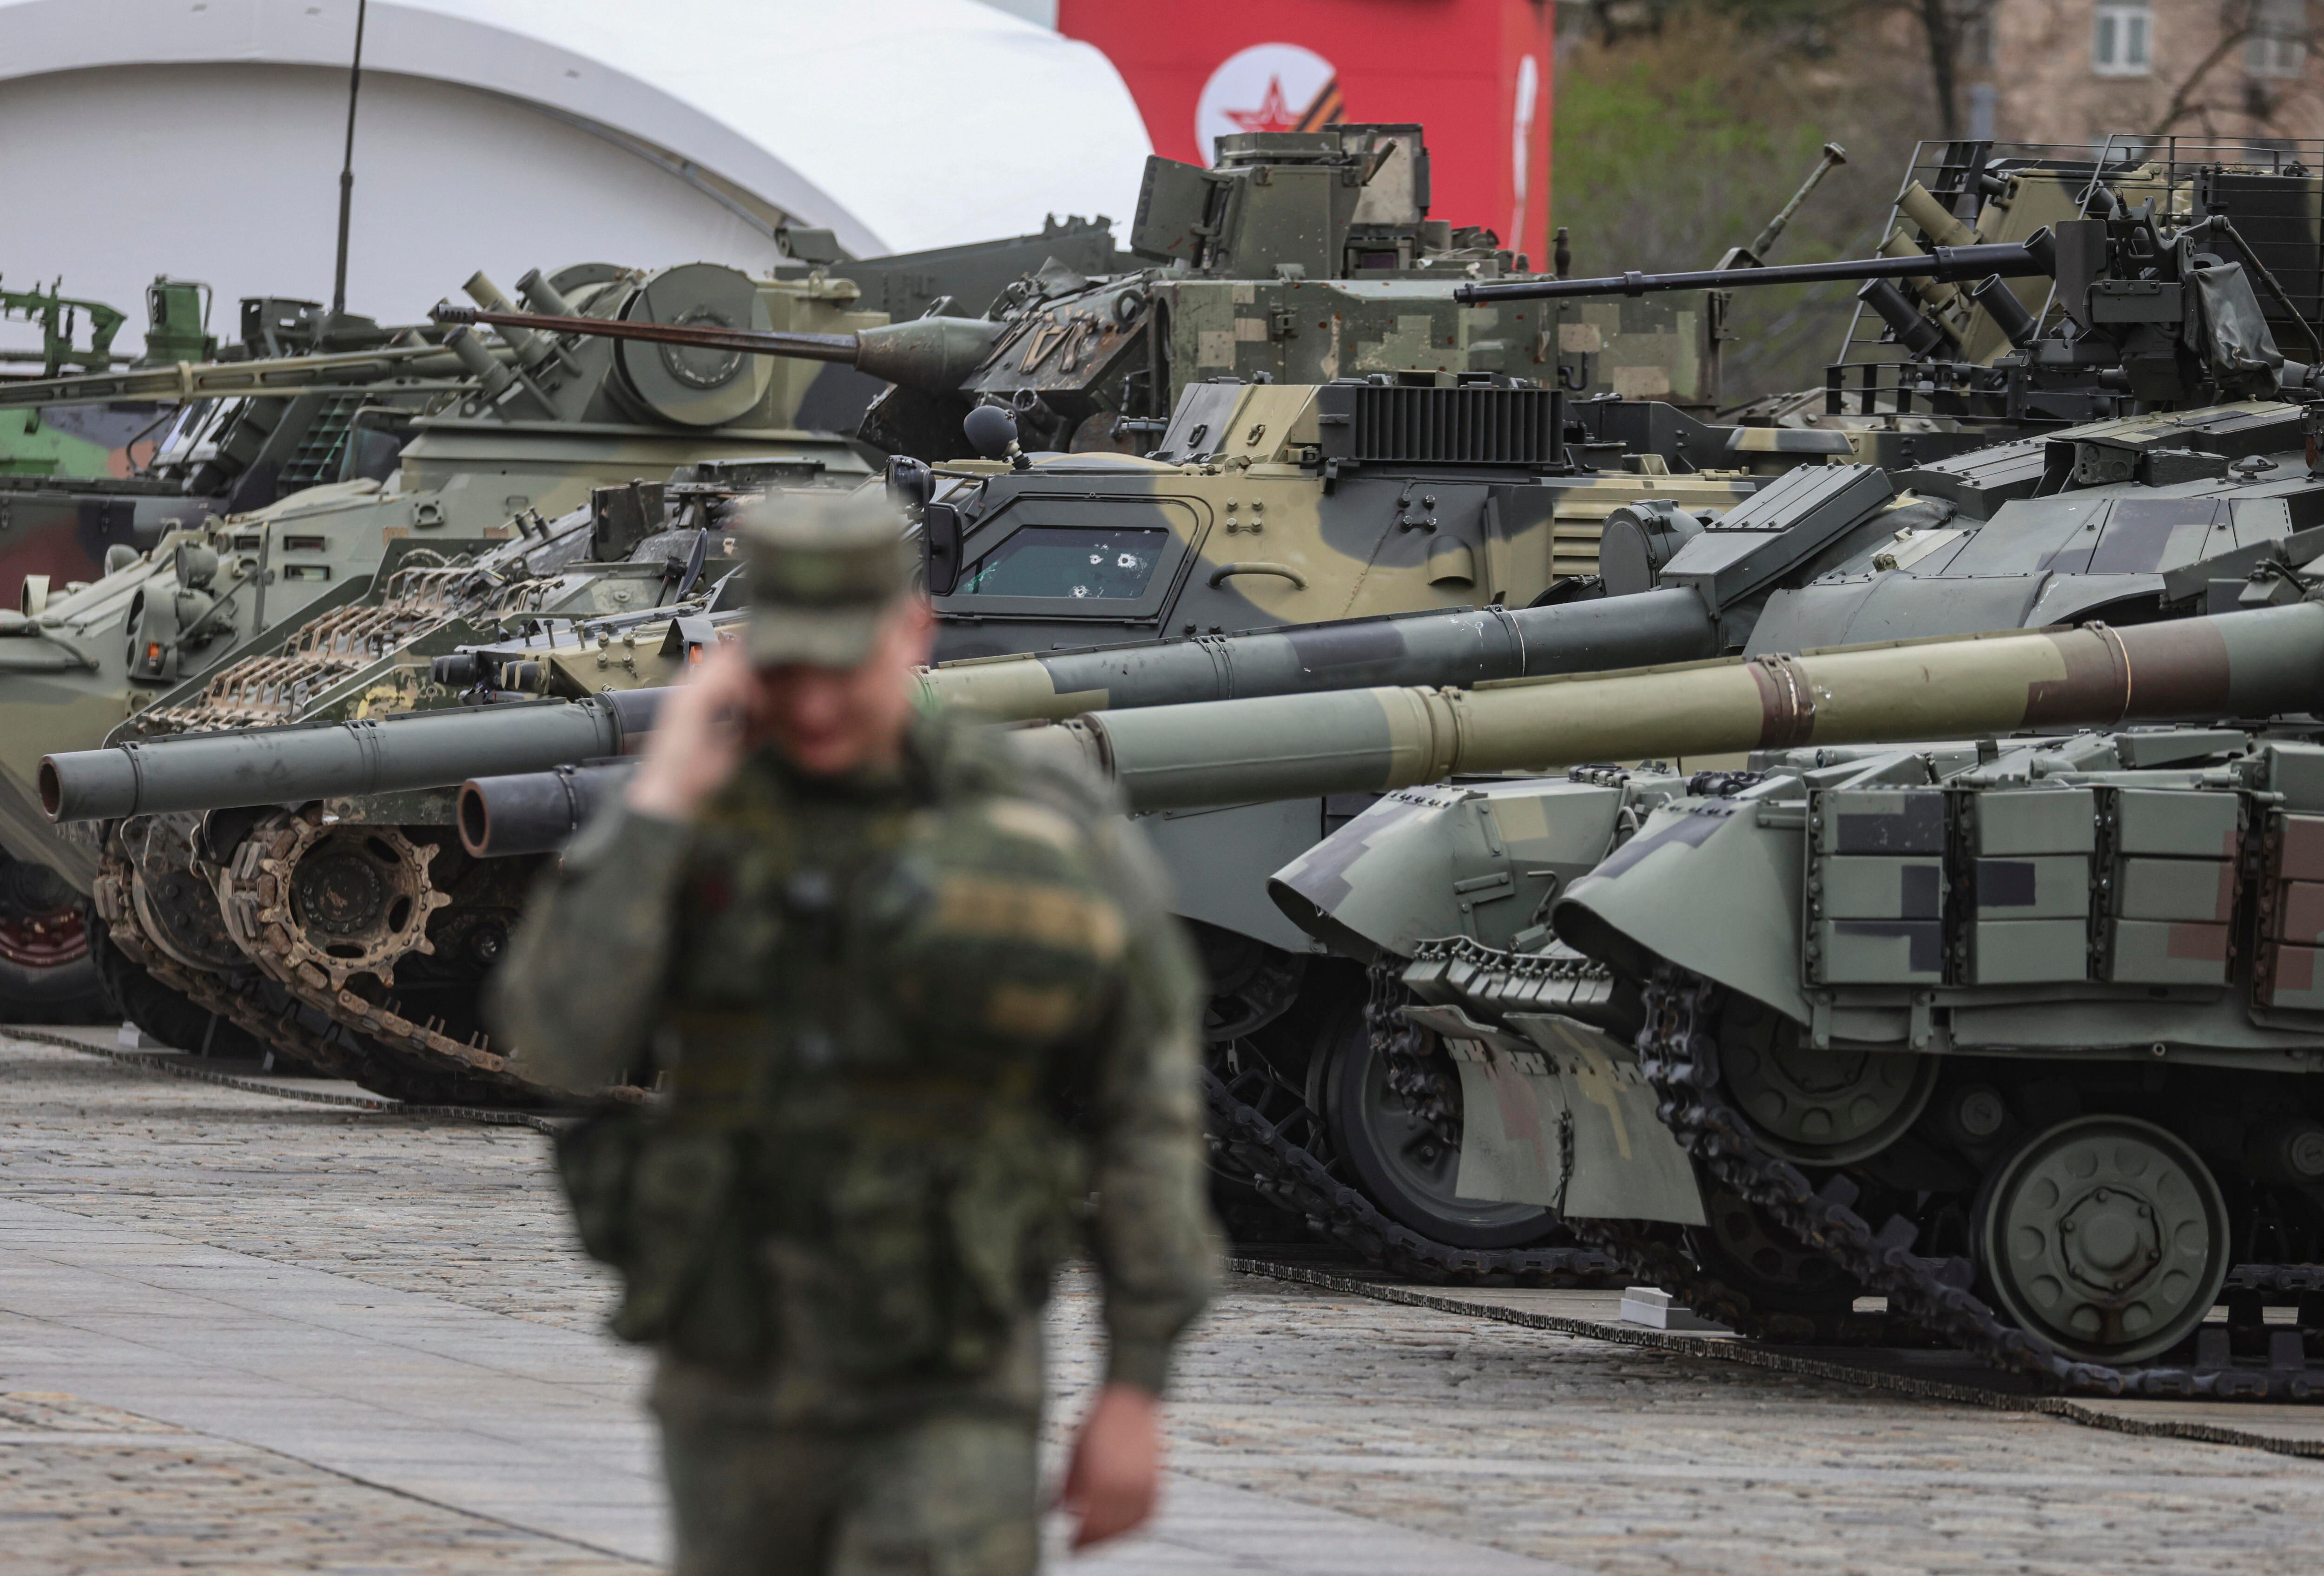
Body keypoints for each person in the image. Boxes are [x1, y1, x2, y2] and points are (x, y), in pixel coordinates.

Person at [488, 488, 1216, 1575]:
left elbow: (1145, 1104)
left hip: (948, 1376)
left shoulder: (1037, 822)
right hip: (734, 1368)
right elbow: (558, 1042)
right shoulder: (696, 818)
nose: (817, 705)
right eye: (787, 671)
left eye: (847, 666)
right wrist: (660, 799)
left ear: (914, 631)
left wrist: (1134, 1388)